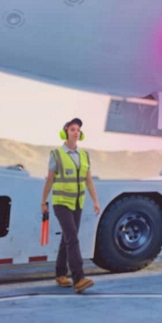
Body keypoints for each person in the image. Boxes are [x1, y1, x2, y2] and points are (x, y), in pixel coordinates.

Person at [42, 117, 100, 294]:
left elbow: (88, 180)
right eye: (73, 129)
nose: (76, 132)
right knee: (73, 238)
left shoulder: (84, 155)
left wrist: (95, 201)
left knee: (66, 239)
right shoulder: (56, 154)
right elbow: (50, 179)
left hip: (77, 203)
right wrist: (43, 201)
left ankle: (60, 274)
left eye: (78, 130)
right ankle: (79, 279)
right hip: (61, 203)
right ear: (65, 131)